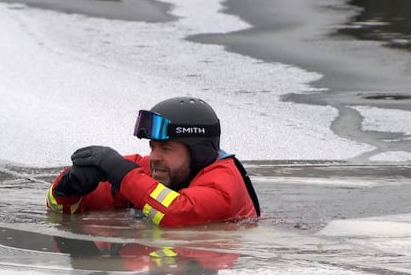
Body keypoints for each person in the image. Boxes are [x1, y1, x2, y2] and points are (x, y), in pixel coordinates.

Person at [46, 97, 260, 227]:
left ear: (199, 153)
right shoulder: (152, 171)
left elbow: (177, 213)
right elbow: (60, 209)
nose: (154, 157)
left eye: (166, 149)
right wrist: (69, 188)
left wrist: (120, 172)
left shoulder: (223, 184)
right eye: (152, 147)